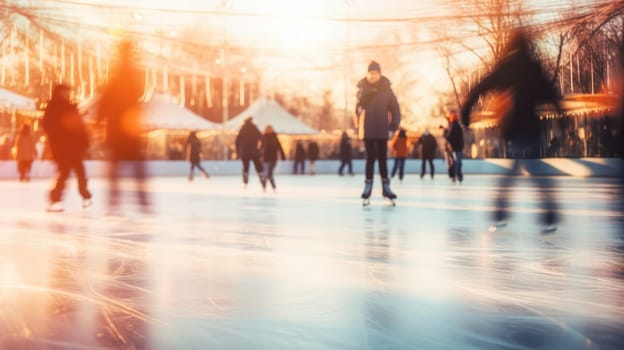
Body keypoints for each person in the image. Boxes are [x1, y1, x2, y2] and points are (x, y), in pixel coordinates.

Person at [460, 28, 564, 232]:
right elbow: (550, 93)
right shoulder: (534, 68)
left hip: (514, 128)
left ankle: (501, 213)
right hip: (532, 128)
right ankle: (548, 215)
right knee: (531, 169)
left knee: (518, 169)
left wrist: (466, 111)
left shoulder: (507, 67)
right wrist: (561, 117)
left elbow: (481, 86)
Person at [97, 39, 149, 213]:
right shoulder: (127, 76)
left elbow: (105, 102)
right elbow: (137, 97)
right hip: (126, 130)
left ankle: (117, 200)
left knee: (121, 167)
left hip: (121, 130)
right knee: (134, 167)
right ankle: (140, 201)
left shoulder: (120, 76)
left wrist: (99, 119)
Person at [355, 60, 401, 203]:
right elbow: (356, 108)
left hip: (382, 130)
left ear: (380, 74)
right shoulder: (362, 88)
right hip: (368, 130)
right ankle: (368, 185)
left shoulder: (386, 89)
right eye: (370, 73)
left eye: (375, 73)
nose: (373, 76)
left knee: (382, 159)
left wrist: (393, 126)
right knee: (369, 159)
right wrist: (358, 114)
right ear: (367, 74)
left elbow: (395, 108)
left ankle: (385, 187)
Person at [42, 84, 92, 212]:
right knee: (64, 173)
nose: (67, 94)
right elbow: (49, 126)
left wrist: (84, 142)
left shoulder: (70, 107)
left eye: (68, 92)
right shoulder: (53, 107)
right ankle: (55, 200)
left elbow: (79, 127)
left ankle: (85, 195)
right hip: (61, 147)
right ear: (58, 93)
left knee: (80, 171)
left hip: (74, 147)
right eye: (65, 92)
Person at [235, 116, 266, 189]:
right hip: (254, 151)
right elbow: (262, 139)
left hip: (245, 152)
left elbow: (237, 141)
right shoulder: (254, 128)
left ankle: (245, 180)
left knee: (246, 167)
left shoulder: (243, 129)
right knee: (259, 167)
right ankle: (262, 179)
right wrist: (260, 149)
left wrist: (239, 151)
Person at [262, 125, 286, 190]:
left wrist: (283, 156)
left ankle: (272, 186)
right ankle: (264, 185)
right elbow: (260, 147)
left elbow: (279, 146)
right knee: (265, 172)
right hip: (265, 158)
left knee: (270, 173)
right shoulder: (263, 137)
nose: (269, 130)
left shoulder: (274, 137)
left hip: (273, 158)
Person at [444, 113, 464, 183]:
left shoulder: (452, 127)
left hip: (454, 148)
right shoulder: (459, 127)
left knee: (455, 163)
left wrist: (445, 132)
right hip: (459, 148)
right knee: (459, 162)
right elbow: (461, 139)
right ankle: (459, 175)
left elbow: (448, 137)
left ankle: (455, 175)